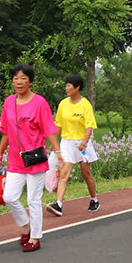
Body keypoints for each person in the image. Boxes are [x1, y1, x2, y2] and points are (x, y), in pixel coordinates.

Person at [0, 65, 60, 252]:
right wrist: (0, 152)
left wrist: (58, 151)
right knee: (9, 197)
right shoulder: (9, 102)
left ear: (30, 81)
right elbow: (6, 131)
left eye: (23, 78)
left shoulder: (39, 102)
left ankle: (35, 238)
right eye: (16, 78)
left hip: (35, 158)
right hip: (15, 160)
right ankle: (25, 226)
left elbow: (49, 129)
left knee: (33, 200)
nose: (19, 82)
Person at [46, 74, 100, 216]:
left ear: (77, 88)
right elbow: (58, 124)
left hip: (82, 143)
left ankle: (94, 199)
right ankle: (58, 205)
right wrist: (53, 142)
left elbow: (89, 126)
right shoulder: (63, 104)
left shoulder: (85, 104)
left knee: (86, 173)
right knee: (64, 173)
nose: (66, 88)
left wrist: (84, 142)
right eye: (66, 85)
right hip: (67, 143)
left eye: (69, 85)